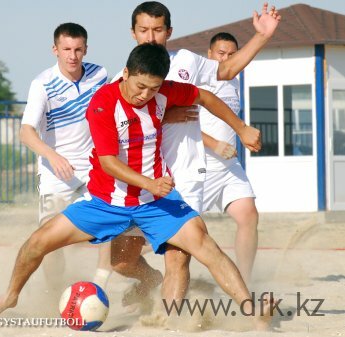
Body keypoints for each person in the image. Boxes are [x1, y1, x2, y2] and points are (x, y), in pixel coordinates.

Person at [0, 43, 273, 331]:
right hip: (105, 202)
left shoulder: (164, 92)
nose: (145, 95)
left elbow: (205, 97)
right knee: (38, 242)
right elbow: (108, 163)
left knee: (205, 247)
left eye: (154, 88)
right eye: (140, 86)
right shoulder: (102, 103)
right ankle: (9, 297)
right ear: (125, 73)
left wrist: (241, 128)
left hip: (155, 202)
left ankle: (250, 313)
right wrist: (151, 183)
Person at [109, 1, 281, 309]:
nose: (151, 37)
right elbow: (115, 132)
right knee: (121, 262)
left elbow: (226, 70)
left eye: (158, 30)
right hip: (141, 180)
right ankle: (154, 286)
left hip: (185, 175)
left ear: (169, 32)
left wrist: (262, 37)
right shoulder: (119, 80)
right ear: (132, 32)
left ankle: (169, 319)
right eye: (144, 30)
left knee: (178, 256)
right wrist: (164, 115)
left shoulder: (186, 61)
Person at [18, 22, 111, 291]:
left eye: (78, 49)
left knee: (108, 222)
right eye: (66, 49)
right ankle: (54, 292)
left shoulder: (99, 74)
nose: (72, 55)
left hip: (93, 167)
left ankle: (100, 284)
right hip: (55, 172)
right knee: (49, 243)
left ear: (86, 49)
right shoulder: (42, 84)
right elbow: (26, 133)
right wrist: (53, 156)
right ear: (55, 50)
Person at [199, 32, 258, 283]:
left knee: (249, 215)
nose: (226, 58)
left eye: (232, 54)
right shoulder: (199, 80)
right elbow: (180, 126)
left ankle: (243, 280)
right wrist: (214, 145)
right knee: (178, 233)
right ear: (209, 55)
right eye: (221, 53)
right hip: (200, 168)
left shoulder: (234, 80)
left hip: (229, 167)